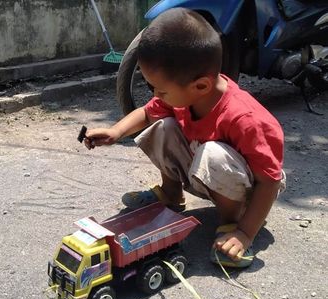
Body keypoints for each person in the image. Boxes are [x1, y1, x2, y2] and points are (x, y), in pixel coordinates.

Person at [82, 8, 286, 268]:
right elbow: (146, 113)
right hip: (206, 171)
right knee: (162, 127)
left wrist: (245, 233)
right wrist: (115, 132)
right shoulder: (187, 95)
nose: (156, 95)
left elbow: (269, 182)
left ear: (201, 86)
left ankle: (232, 221)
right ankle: (170, 194)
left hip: (253, 188)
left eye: (161, 90)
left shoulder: (244, 118)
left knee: (213, 153)